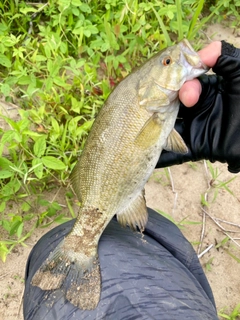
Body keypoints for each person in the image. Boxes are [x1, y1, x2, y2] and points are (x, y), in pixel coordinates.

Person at [23, 40, 240, 320]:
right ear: (146, 88)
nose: (173, 59)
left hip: (115, 195)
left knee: (52, 242)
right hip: (113, 197)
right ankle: (77, 252)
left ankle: (74, 256)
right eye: (167, 63)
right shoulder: (149, 105)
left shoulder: (155, 104)